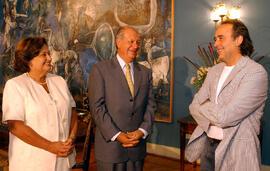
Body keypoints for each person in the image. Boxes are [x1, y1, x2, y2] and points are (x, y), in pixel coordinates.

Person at [185, 19, 268, 171]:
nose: (215, 44)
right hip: (208, 146)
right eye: (215, 39)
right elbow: (193, 106)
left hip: (238, 150)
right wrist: (212, 110)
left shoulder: (255, 73)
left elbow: (226, 117)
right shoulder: (214, 71)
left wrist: (204, 105)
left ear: (238, 40)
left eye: (221, 38)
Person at [2, 37, 78, 171]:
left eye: (48, 53)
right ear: (28, 60)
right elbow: (15, 127)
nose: (50, 58)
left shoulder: (59, 81)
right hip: (32, 163)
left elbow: (72, 112)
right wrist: (50, 146)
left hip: (62, 162)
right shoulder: (15, 85)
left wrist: (71, 138)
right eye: (44, 54)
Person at [88, 26, 156, 171]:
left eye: (138, 42)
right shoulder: (100, 70)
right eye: (131, 41)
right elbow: (97, 108)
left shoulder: (145, 73)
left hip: (137, 149)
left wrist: (142, 131)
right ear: (118, 42)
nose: (136, 46)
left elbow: (151, 106)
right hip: (110, 150)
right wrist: (117, 135)